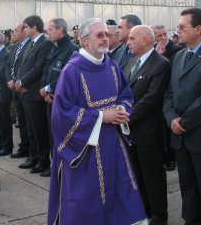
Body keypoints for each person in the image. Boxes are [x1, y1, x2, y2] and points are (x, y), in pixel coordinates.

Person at [48, 18, 147, 224]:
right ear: (84, 41)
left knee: (119, 191)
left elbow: (126, 95)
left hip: (113, 144)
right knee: (87, 199)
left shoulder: (111, 65)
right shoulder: (72, 70)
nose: (106, 39)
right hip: (84, 149)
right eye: (99, 35)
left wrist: (121, 109)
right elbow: (61, 114)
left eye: (107, 34)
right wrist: (102, 116)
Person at [163, 8, 201, 225]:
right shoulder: (180, 55)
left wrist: (184, 122)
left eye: (183, 27)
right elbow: (170, 93)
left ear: (198, 29)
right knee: (188, 188)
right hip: (180, 136)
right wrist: (171, 118)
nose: (178, 31)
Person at [124, 25, 170, 225]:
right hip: (130, 131)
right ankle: (144, 212)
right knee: (137, 175)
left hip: (148, 132)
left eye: (132, 38)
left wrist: (125, 117)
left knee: (153, 177)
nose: (128, 41)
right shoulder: (131, 61)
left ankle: (159, 217)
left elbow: (152, 99)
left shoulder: (161, 64)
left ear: (144, 40)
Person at [39, 18, 78, 177]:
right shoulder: (54, 48)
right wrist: (44, 89)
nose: (47, 32)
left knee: (62, 137)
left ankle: (64, 168)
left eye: (50, 29)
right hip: (49, 98)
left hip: (60, 99)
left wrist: (49, 89)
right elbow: (46, 70)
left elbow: (65, 76)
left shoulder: (71, 49)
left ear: (61, 30)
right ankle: (55, 166)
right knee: (51, 135)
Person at [15, 15, 52, 174]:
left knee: (39, 129)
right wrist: (19, 81)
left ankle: (43, 161)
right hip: (25, 92)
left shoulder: (44, 43)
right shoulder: (30, 43)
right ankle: (34, 156)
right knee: (30, 127)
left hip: (34, 92)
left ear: (34, 28)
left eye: (25, 27)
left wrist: (22, 82)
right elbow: (23, 65)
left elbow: (38, 68)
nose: (24, 30)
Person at [151, 24, 184, 172]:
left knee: (169, 127)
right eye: (159, 36)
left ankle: (171, 158)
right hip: (156, 94)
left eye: (165, 34)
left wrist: (158, 57)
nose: (164, 38)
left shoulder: (177, 50)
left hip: (169, 95)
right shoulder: (153, 50)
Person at [5, 22, 30, 159]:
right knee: (21, 119)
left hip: (24, 88)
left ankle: (31, 149)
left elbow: (26, 67)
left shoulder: (29, 46)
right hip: (14, 87)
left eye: (16, 30)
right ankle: (24, 146)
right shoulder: (15, 47)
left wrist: (19, 81)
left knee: (28, 122)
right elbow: (9, 65)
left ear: (24, 32)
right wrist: (10, 79)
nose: (13, 33)